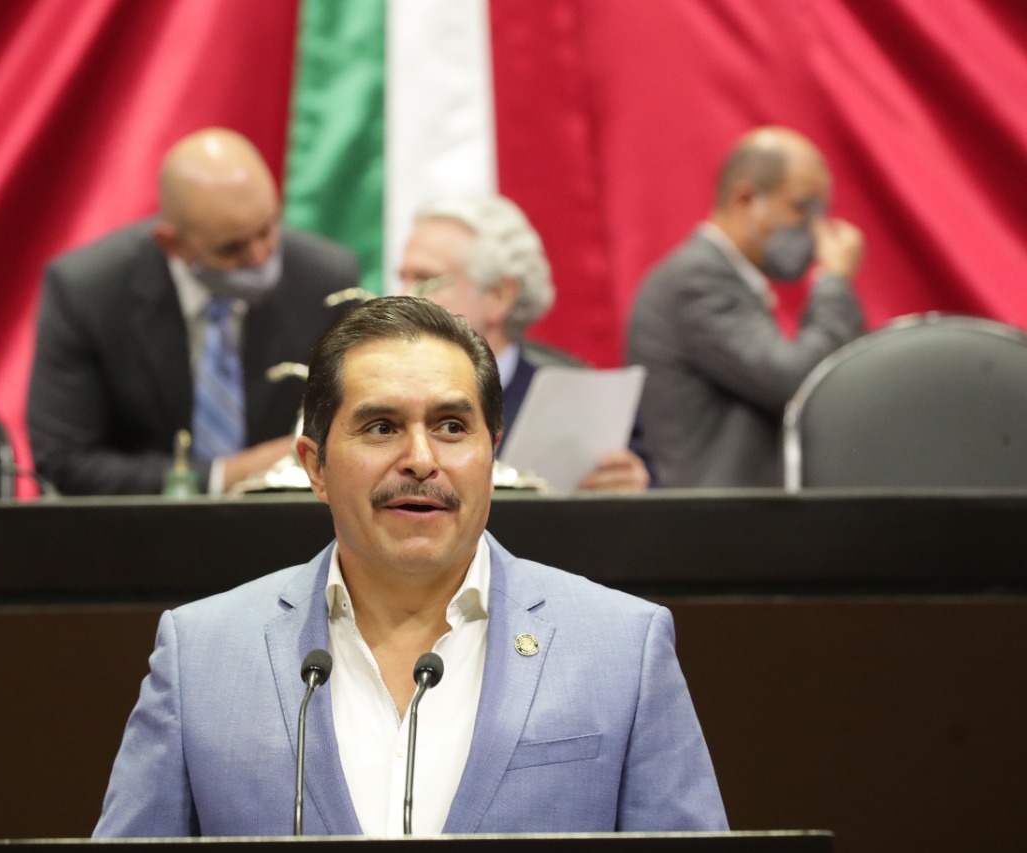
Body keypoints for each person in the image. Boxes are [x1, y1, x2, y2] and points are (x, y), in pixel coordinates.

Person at [94, 297, 726, 837]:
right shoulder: (201, 653)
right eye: (381, 427)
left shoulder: (623, 646)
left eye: (451, 426)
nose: (421, 459)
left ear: (491, 454)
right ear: (315, 466)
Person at [27, 128, 359, 495]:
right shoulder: (88, 291)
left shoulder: (326, 281)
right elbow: (65, 460)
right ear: (172, 243)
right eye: (231, 249)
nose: (259, 257)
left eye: (267, 229)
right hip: (141, 521)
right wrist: (224, 476)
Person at [626, 126, 865, 488]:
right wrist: (833, 282)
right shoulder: (697, 279)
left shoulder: (722, 277)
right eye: (802, 208)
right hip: (711, 516)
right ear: (744, 200)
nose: (816, 232)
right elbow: (800, 383)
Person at [398, 194, 652, 491]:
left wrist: (630, 491)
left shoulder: (583, 404)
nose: (404, 296)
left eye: (426, 279)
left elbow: (657, 501)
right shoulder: (379, 390)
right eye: (403, 278)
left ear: (498, 296)